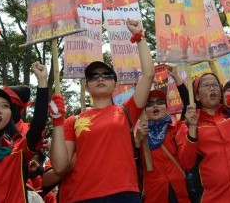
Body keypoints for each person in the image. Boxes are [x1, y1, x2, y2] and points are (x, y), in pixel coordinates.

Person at [49, 19, 155, 202]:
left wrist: (139, 37)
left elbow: (148, 75)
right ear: (87, 87)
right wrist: (57, 123)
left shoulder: (127, 110)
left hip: (124, 193)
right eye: (93, 76)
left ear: (115, 86)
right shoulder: (73, 121)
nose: (100, 78)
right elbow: (59, 167)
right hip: (84, 196)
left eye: (106, 75)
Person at [176, 33, 230, 202]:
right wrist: (192, 129)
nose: (212, 88)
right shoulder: (186, 125)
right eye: (206, 85)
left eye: (215, 85)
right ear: (197, 96)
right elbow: (186, 162)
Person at [0, 62, 49, 203]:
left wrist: (42, 82)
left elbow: (38, 126)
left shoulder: (18, 151)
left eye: (5, 106)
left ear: (11, 115)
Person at [135, 88, 189, 203]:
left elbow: (189, 102)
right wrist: (137, 142)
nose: (155, 106)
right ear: (144, 111)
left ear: (166, 108)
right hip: (154, 195)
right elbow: (132, 166)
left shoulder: (177, 129)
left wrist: (176, 78)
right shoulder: (139, 136)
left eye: (160, 102)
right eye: (150, 104)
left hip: (180, 192)